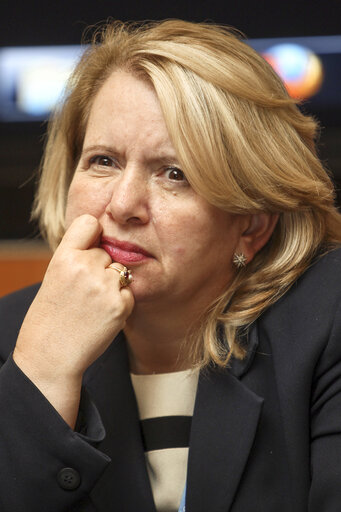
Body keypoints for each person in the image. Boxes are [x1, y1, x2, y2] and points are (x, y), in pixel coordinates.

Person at [0, 19, 341, 512]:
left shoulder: (327, 319)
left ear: (251, 223)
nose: (123, 205)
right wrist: (43, 371)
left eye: (174, 174)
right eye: (103, 161)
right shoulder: (11, 336)